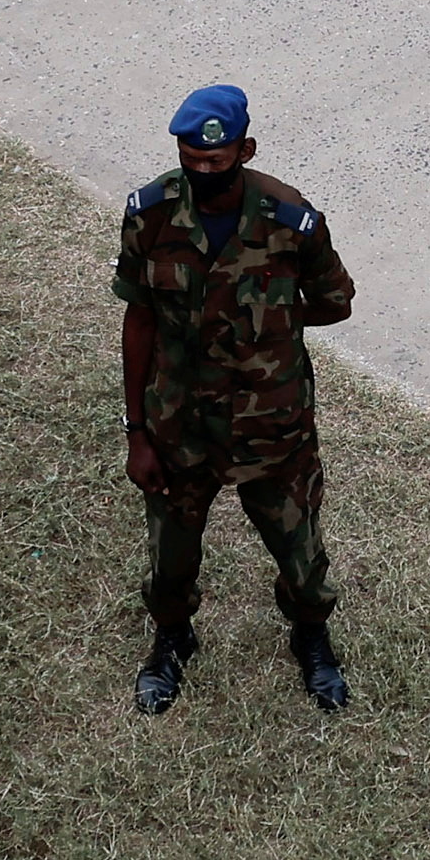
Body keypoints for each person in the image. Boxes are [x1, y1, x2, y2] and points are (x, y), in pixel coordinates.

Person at [115, 85, 354, 716]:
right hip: (179, 426)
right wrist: (137, 432)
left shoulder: (289, 219)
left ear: (245, 150)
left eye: (215, 162)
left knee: (301, 557)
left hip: (271, 426)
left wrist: (273, 327)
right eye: (190, 159)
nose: (201, 173)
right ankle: (172, 641)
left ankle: (311, 637)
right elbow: (138, 320)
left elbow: (335, 301)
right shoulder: (151, 215)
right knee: (169, 558)